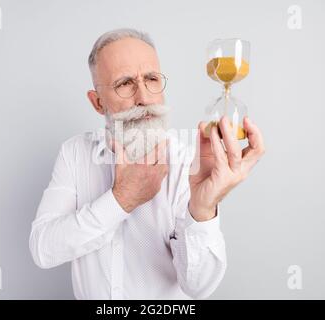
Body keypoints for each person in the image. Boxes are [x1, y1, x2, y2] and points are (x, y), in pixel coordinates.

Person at [29, 28, 266, 299]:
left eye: (151, 79)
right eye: (124, 83)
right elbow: (43, 249)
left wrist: (202, 210)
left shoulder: (187, 163)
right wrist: (121, 200)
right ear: (97, 102)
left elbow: (198, 287)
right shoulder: (75, 153)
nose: (143, 97)